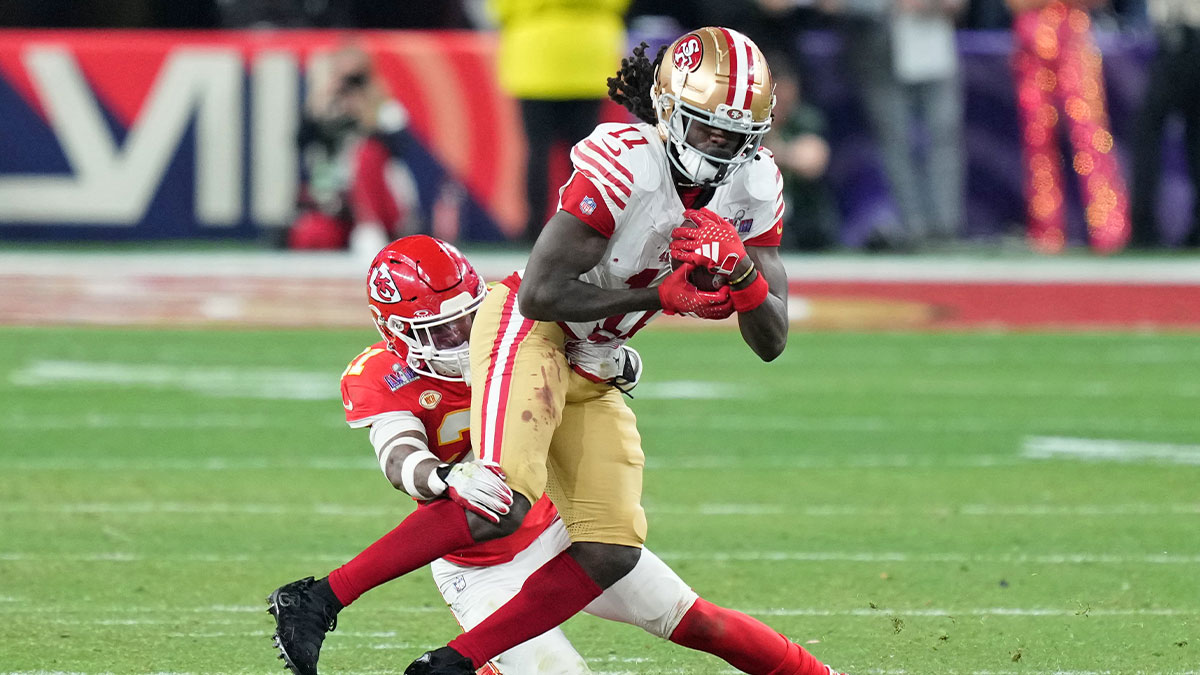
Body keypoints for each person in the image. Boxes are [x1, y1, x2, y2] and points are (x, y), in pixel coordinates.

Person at [400, 28, 801, 674]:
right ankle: (323, 597)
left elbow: (773, 339)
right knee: (501, 501)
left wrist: (743, 277)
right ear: (671, 112)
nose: (723, 148)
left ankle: (450, 662)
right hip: (534, 331)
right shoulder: (627, 164)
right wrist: (658, 298)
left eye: (737, 136)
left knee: (613, 548)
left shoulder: (752, 186)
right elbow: (539, 291)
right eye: (708, 130)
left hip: (596, 358)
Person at [268, 236, 846, 675]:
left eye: (470, 320)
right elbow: (398, 456)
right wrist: (443, 476)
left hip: (558, 528)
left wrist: (613, 364)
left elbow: (604, 360)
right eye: (444, 333)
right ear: (397, 332)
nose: (464, 340)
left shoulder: (512, 335)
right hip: (480, 571)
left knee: (701, 620)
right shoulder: (381, 375)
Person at [823, 0, 967, 250]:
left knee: (944, 136)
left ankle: (946, 227)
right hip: (879, 50)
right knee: (895, 141)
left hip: (933, 42)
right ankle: (914, 228)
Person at [485, 0, 631, 242]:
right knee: (588, 157)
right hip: (589, 57)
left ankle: (533, 230)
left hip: (534, 57)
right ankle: (586, 225)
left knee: (537, 152)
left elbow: (500, 8)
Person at [1007, 0, 1130, 253]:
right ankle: (1046, 232)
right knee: (1038, 141)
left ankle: (1109, 229)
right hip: (1032, 36)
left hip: (1071, 34)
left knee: (1090, 136)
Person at [288, 45, 420, 258]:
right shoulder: (326, 107)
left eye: (356, 78)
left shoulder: (385, 108)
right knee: (311, 237)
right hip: (337, 203)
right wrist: (320, 102)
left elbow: (402, 149)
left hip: (381, 205)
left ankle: (370, 229)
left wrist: (368, 111)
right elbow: (301, 144)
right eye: (344, 78)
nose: (350, 87)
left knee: (366, 152)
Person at [1129, 0, 1200, 248]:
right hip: (1179, 35)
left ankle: (1144, 227)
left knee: (1149, 131)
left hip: (1183, 35)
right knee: (1194, 135)